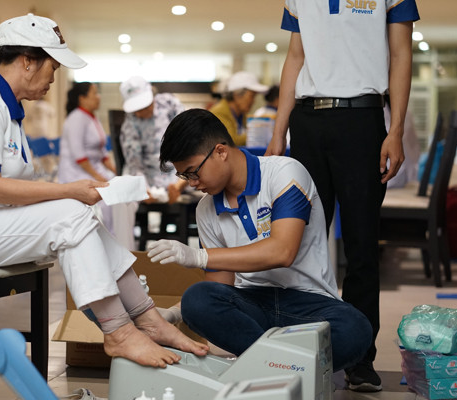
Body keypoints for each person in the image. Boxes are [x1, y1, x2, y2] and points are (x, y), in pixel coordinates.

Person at [0, 13, 207, 369]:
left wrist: (71, 192)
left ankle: (149, 319)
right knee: (71, 215)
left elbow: (3, 188)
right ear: (27, 61)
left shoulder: (7, 109)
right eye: (53, 67)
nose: (54, 78)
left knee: (80, 216)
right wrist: (68, 191)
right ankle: (119, 332)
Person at [265, 0, 420, 391]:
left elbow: (401, 55)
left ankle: (359, 358)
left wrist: (395, 130)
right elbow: (295, 57)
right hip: (306, 123)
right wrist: (278, 131)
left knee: (361, 245)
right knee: (299, 244)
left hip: (362, 120)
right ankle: (299, 350)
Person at [146, 108, 372, 374]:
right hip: (253, 306)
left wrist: (199, 257)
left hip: (309, 305)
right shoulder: (206, 209)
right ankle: (284, 368)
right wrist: (174, 313)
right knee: (197, 299)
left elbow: (282, 251)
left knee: (355, 329)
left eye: (193, 172)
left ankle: (267, 364)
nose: (193, 183)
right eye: (185, 177)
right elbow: (220, 286)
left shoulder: (285, 174)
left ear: (221, 151)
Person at [58, 82, 116, 231]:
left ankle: (118, 237)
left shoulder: (92, 118)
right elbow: (80, 157)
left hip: (93, 170)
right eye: (94, 94)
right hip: (76, 173)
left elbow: (103, 154)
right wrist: (100, 178)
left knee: (118, 191)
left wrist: (117, 172)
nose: (98, 97)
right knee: (106, 199)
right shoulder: (76, 118)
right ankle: (105, 237)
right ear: (82, 99)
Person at [119, 76, 187, 204]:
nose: (142, 112)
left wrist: (180, 184)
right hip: (147, 178)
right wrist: (144, 189)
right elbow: (134, 164)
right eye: (137, 109)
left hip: (179, 173)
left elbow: (189, 143)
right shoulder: (130, 124)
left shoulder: (169, 104)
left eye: (145, 106)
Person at [209, 71, 268, 147]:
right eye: (251, 96)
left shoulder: (241, 114)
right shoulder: (219, 113)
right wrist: (257, 133)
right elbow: (230, 141)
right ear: (237, 94)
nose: (253, 101)